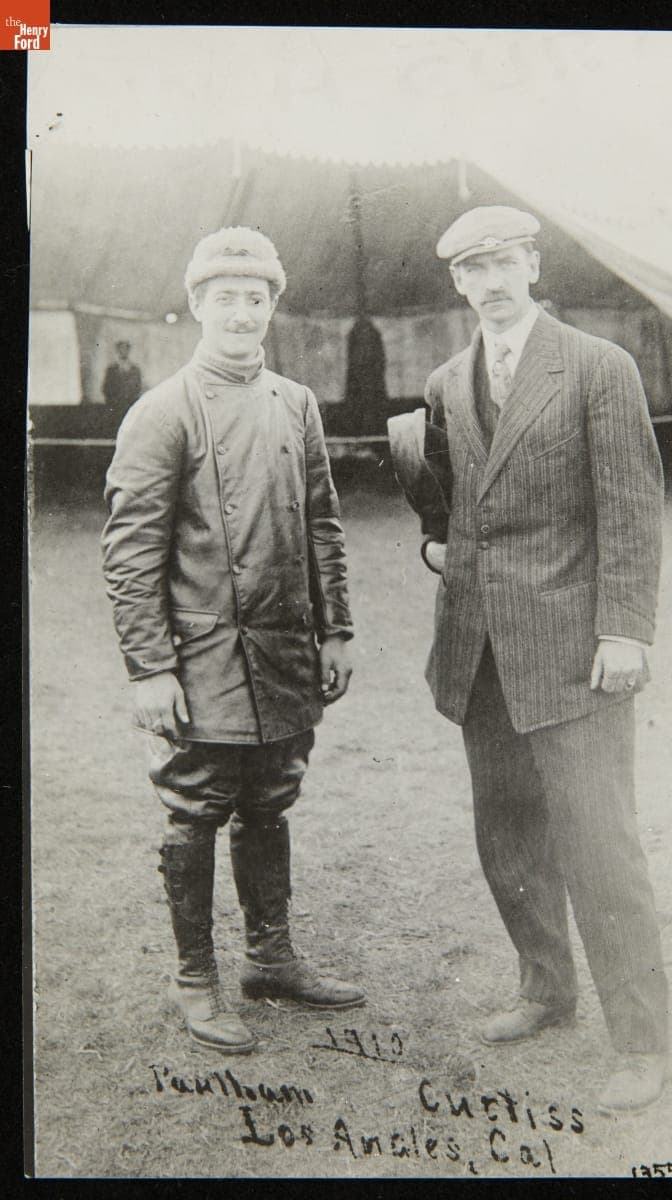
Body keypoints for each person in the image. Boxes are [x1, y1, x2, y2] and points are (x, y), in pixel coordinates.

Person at [391, 206, 668, 1114]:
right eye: (473, 269)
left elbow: (631, 507)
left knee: (600, 846)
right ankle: (546, 989)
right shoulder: (443, 380)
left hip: (576, 657)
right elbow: (455, 502)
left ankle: (640, 1041)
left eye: (505, 261)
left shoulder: (599, 368)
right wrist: (440, 549)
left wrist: (625, 630)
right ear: (458, 284)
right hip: (480, 655)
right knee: (506, 835)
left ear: (533, 263)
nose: (491, 280)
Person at [101, 226, 364, 1056]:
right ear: (198, 307)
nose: (243, 313)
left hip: (286, 652)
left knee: (271, 800)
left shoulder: (297, 404)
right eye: (226, 299)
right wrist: (150, 668)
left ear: (272, 307)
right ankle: (196, 980)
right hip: (203, 658)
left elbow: (322, 524)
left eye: (257, 298)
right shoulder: (162, 410)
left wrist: (338, 628)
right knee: (196, 807)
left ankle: (271, 959)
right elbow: (130, 551)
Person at [101, 339, 143, 425]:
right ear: (118, 351)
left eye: (125, 349)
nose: (123, 351)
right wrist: (113, 401)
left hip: (130, 405)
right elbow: (106, 388)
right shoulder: (111, 369)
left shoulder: (135, 370)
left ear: (129, 351)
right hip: (115, 406)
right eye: (121, 349)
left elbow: (138, 387)